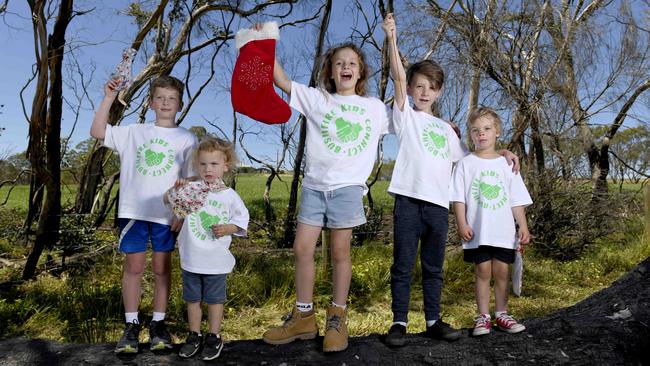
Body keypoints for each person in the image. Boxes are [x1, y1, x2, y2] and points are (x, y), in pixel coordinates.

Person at [381, 14, 520, 346]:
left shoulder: (447, 130)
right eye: (418, 86)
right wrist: (391, 39)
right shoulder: (406, 117)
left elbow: (470, 160)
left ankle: (432, 320)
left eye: (431, 87)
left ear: (438, 91)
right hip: (408, 200)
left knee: (433, 266)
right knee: (402, 264)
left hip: (437, 206)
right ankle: (399, 322)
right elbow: (397, 80)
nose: (424, 92)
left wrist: (502, 152)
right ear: (411, 89)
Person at [259, 27, 390, 352]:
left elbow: (407, 121)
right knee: (302, 249)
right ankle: (303, 317)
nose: (345, 67)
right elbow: (282, 81)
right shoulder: (318, 98)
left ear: (360, 72)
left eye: (352, 63)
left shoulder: (373, 106)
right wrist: (262, 45)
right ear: (330, 71)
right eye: (339, 63)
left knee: (339, 252)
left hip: (347, 189)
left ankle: (337, 317)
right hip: (315, 187)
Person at [90, 75, 198, 353]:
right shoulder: (134, 132)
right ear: (151, 102)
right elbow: (98, 131)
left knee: (162, 269)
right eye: (160, 97)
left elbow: (191, 179)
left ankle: (159, 326)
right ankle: (131, 325)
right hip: (134, 211)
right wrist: (109, 97)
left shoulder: (187, 138)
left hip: (167, 215)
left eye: (171, 98)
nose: (165, 102)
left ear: (180, 104)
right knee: (134, 267)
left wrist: (182, 213)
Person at [450, 107, 532, 337]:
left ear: (497, 132)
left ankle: (502, 314)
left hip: (503, 232)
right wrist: (462, 223)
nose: (481, 134)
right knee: (483, 271)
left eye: (486, 129)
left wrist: (523, 226)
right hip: (478, 232)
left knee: (502, 272)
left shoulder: (507, 164)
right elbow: (458, 198)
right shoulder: (465, 164)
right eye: (475, 130)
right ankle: (483, 316)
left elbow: (516, 200)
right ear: (471, 135)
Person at [166, 138, 249, 360]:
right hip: (192, 257)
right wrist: (177, 189)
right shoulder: (193, 189)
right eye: (202, 164)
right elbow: (168, 200)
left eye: (213, 164)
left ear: (226, 165)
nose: (208, 169)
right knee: (192, 299)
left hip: (216, 260)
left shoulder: (229, 195)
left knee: (214, 300)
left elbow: (242, 220)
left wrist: (229, 228)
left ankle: (213, 336)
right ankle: (194, 336)